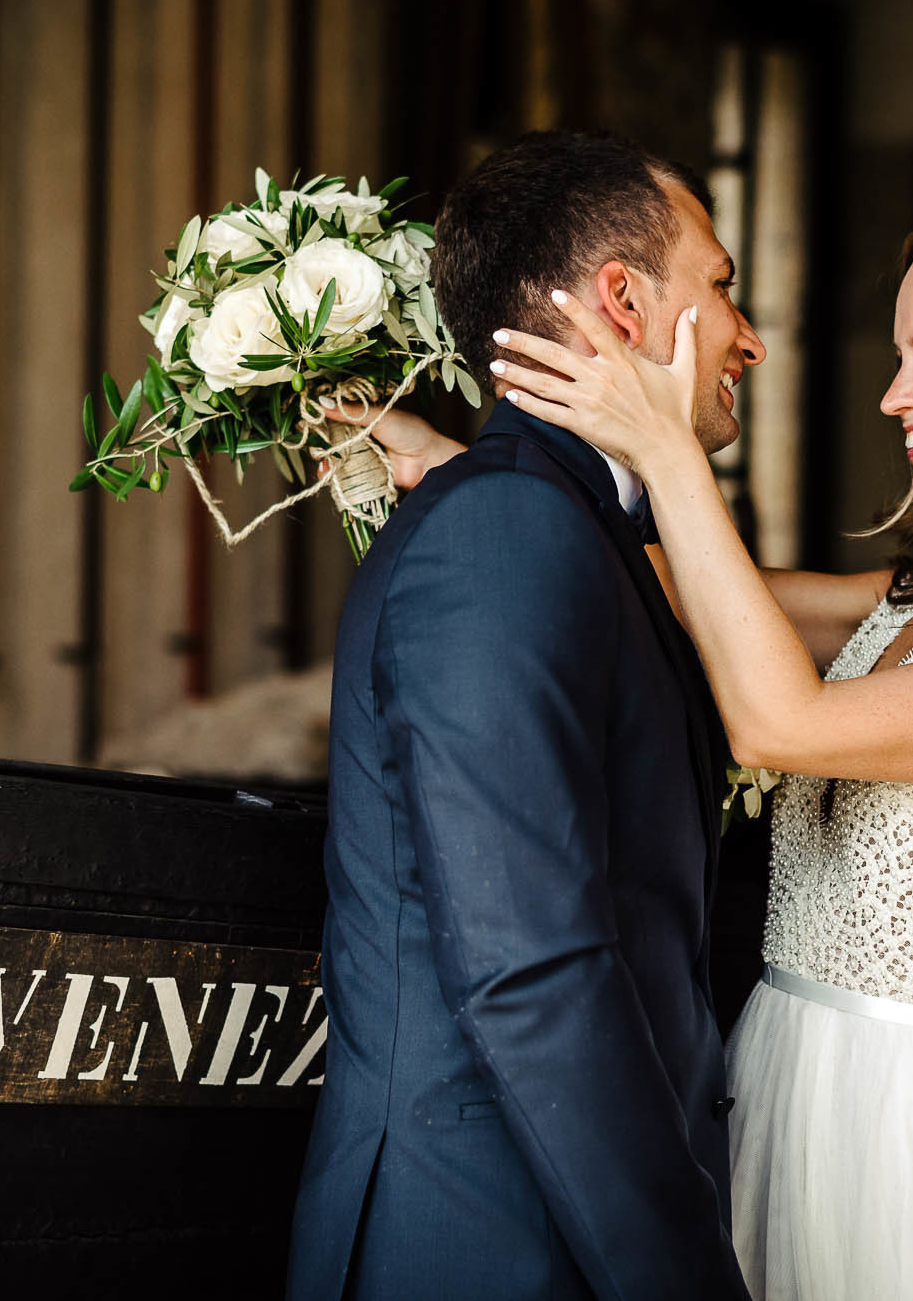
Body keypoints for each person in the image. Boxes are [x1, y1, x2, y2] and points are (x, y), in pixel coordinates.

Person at [367, 193, 913, 1298]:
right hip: (769, 1076)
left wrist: (667, 453)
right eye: (896, 358)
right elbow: (665, 587)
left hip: (898, 1131)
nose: (892, 397)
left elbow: (782, 723)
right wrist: (452, 468)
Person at [284, 130, 765, 1300]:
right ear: (621, 299)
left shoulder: (559, 526)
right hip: (487, 1231)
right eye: (719, 288)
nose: (745, 338)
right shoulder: (506, 532)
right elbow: (528, 968)